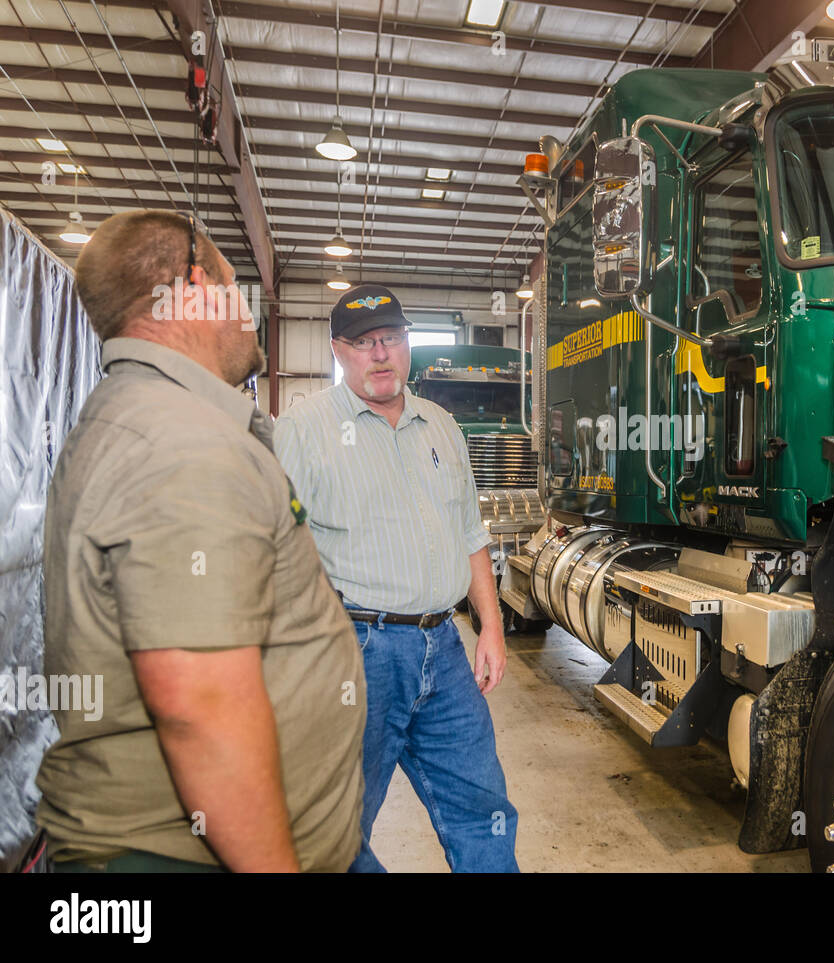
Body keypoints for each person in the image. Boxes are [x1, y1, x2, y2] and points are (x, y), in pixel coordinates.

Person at [37, 210, 365, 873]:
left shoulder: (134, 413)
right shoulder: (181, 442)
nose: (247, 311)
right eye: (236, 286)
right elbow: (200, 709)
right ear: (194, 284)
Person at [274, 284, 518, 873]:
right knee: (336, 821)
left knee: (483, 807)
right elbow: (276, 541)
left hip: (446, 649)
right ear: (338, 350)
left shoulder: (441, 426)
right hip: (360, 651)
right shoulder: (304, 429)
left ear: (407, 344)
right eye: (363, 343)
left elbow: (470, 534)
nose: (380, 354)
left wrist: (490, 627)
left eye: (390, 339)